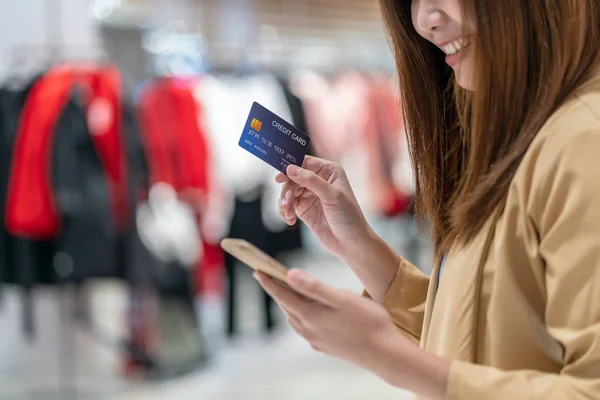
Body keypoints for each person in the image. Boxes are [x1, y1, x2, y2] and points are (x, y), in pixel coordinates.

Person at [254, 0, 600, 399]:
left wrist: (383, 354)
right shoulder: (523, 133)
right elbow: (473, 338)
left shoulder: (582, 140)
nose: (423, 20)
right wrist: (362, 247)